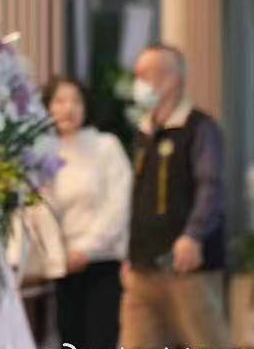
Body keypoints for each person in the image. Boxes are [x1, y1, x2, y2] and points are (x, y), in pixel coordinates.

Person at [120, 45, 229, 348]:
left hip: (188, 267)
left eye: (146, 75)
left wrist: (193, 235)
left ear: (172, 79)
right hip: (142, 268)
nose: (138, 82)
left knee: (206, 341)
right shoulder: (144, 131)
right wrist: (129, 252)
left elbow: (210, 186)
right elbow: (138, 195)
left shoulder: (200, 128)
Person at [40, 76, 132, 349]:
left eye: (76, 101)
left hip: (101, 261)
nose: (68, 108)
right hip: (63, 265)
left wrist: (87, 250)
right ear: (47, 107)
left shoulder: (106, 146)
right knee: (69, 339)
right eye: (60, 101)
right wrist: (58, 253)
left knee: (100, 338)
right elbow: (41, 209)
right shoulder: (43, 153)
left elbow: (119, 204)